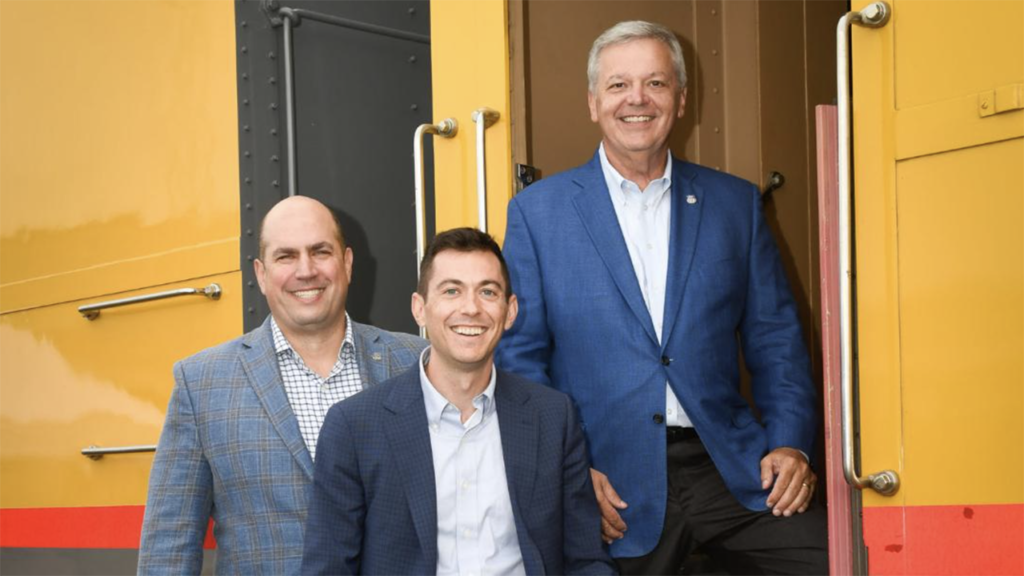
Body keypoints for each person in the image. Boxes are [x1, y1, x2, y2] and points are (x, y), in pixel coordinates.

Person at [496, 20, 828, 575]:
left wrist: (791, 445)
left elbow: (777, 341)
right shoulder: (537, 213)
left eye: (655, 83)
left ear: (680, 99)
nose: (637, 99)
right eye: (619, 85)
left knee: (846, 561)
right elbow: (519, 359)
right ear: (593, 102)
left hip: (734, 471)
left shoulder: (735, 204)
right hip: (608, 483)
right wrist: (567, 471)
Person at [138, 196, 427, 574]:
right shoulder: (201, 383)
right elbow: (168, 547)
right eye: (286, 256)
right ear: (260, 274)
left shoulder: (415, 362)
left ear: (347, 262)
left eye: (320, 251)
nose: (306, 271)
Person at [301, 228, 615, 575]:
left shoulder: (553, 418)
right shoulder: (354, 427)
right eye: (452, 291)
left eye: (488, 292)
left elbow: (586, 560)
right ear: (420, 309)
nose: (471, 308)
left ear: (510, 312)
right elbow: (328, 568)